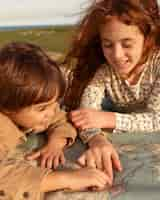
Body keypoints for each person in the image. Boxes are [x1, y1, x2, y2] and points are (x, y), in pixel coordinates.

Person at [64, 0, 160, 186]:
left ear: (148, 39)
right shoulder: (103, 71)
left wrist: (109, 119)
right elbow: (86, 115)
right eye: (108, 45)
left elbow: (158, 118)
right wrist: (97, 140)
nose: (116, 55)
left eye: (127, 44)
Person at [0, 42, 109, 200]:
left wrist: (55, 143)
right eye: (42, 108)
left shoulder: (28, 106)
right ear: (8, 106)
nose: (51, 112)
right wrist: (68, 179)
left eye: (55, 102)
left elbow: (59, 118)